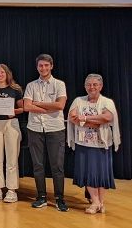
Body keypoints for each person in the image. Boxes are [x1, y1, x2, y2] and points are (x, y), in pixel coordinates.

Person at [67, 74, 120, 214]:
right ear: (85, 86)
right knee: (88, 173)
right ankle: (95, 202)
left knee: (101, 174)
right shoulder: (78, 101)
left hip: (102, 143)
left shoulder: (107, 102)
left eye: (95, 84)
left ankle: (100, 202)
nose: (92, 87)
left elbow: (108, 117)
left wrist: (84, 118)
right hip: (83, 143)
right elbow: (73, 118)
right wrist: (97, 121)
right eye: (89, 85)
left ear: (101, 86)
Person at [23, 54, 68, 212]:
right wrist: (50, 106)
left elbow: (60, 105)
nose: (43, 68)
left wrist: (38, 104)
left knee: (57, 166)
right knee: (38, 165)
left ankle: (59, 198)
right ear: (37, 68)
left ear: (51, 66)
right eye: (40, 66)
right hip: (35, 128)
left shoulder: (59, 84)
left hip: (55, 129)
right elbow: (27, 107)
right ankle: (41, 197)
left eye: (46, 65)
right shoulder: (31, 85)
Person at [0, 64, 24, 203]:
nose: (0, 75)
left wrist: (11, 111)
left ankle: (12, 190)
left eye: (2, 72)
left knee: (12, 158)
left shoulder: (15, 89)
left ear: (7, 74)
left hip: (11, 123)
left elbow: (22, 108)